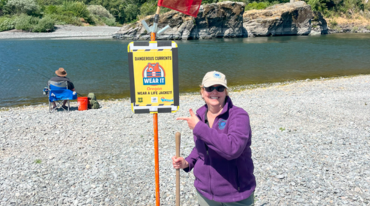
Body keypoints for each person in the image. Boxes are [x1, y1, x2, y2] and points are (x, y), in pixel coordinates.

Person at [173, 71, 256, 206]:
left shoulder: (239, 115)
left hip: (236, 194)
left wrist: (199, 128)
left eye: (220, 88)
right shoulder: (199, 115)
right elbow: (201, 146)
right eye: (210, 88)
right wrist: (187, 162)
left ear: (226, 91)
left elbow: (232, 149)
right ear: (202, 91)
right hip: (205, 193)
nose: (214, 92)